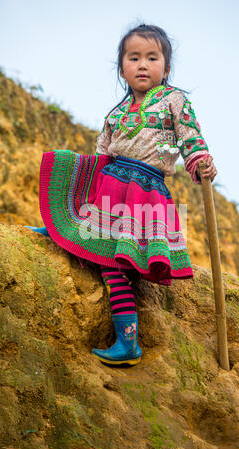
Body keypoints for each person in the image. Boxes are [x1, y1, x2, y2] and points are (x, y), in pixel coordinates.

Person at [25, 23, 217, 367]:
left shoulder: (174, 100)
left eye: (152, 57)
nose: (142, 64)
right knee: (104, 257)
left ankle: (128, 343)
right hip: (111, 188)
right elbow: (101, 157)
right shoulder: (115, 113)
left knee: (116, 263)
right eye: (134, 57)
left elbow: (190, 137)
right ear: (123, 68)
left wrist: (199, 161)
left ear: (166, 68)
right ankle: (61, 229)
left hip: (144, 192)